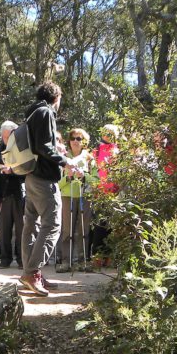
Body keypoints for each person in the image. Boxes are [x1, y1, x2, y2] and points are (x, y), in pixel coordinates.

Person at [20, 82, 74, 297]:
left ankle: (32, 273)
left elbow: (40, 144)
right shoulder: (46, 112)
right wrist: (64, 160)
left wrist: (55, 149)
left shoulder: (32, 112)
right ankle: (32, 273)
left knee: (32, 225)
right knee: (52, 225)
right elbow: (43, 146)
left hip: (31, 176)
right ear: (56, 97)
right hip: (44, 179)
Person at [0, 120, 25, 269]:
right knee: (4, 229)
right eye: (4, 137)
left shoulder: (22, 150)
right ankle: (5, 259)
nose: (6, 140)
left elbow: (26, 172)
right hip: (3, 194)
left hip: (19, 193)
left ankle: (22, 259)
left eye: (9, 136)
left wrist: (13, 170)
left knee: (21, 229)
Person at [56, 128, 92, 272]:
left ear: (84, 142)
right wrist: (69, 177)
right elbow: (57, 183)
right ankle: (66, 261)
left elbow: (96, 179)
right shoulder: (62, 158)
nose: (76, 142)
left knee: (84, 230)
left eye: (79, 139)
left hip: (84, 196)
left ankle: (83, 261)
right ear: (69, 141)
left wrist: (84, 176)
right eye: (73, 138)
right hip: (67, 196)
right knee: (67, 230)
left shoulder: (90, 158)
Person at [89, 124, 120, 265]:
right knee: (99, 226)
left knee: (113, 227)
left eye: (112, 133)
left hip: (116, 193)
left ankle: (110, 257)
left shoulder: (119, 150)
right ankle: (97, 256)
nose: (109, 135)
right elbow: (92, 171)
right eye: (106, 132)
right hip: (100, 193)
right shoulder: (96, 151)